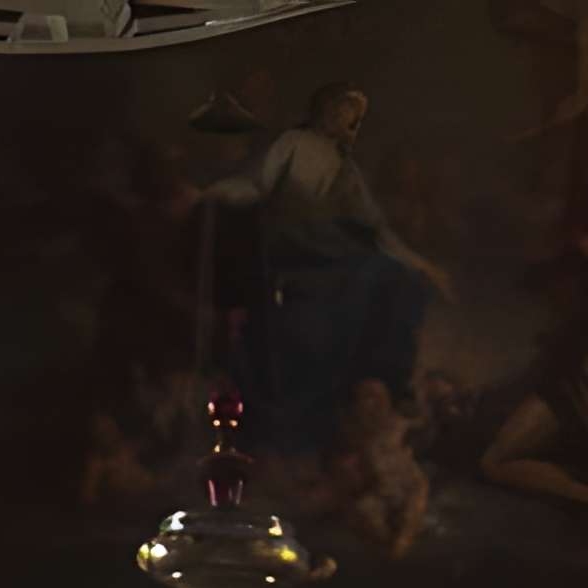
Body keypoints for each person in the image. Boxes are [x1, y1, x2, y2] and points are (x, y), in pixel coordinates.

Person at [192, 84, 454, 457]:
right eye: (346, 112)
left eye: (356, 118)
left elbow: (376, 228)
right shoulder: (294, 143)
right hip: (294, 252)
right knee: (354, 289)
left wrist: (423, 265)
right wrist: (217, 193)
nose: (350, 123)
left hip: (331, 254)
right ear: (326, 110)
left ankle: (388, 382)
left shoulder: (344, 166)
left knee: (404, 281)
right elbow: (258, 184)